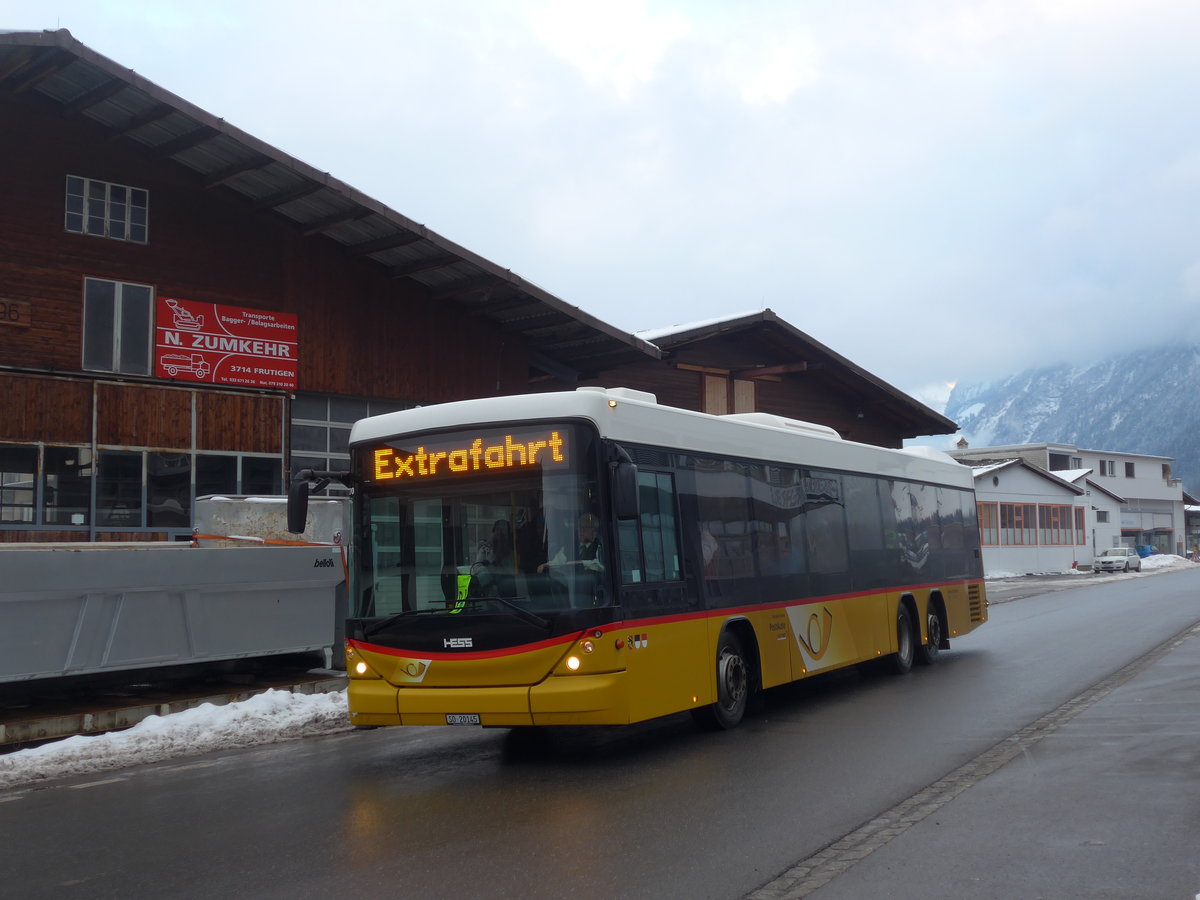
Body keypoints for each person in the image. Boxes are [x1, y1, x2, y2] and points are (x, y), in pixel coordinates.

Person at [538, 512, 603, 573]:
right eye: (579, 527)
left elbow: (601, 565)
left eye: (586, 527)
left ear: (595, 530)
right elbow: (558, 561)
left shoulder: (599, 545)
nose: (581, 530)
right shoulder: (570, 546)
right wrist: (546, 565)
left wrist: (581, 563)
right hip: (571, 580)